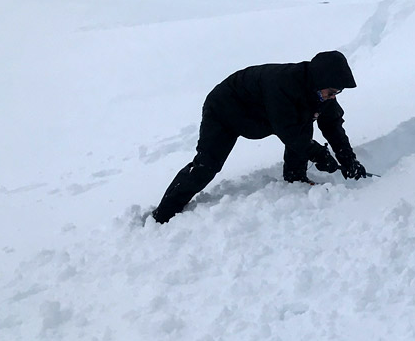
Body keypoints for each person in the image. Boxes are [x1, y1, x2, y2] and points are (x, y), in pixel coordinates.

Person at [150, 50, 369, 224]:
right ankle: (163, 215)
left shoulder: (322, 94)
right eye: (331, 91)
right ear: (319, 80)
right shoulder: (283, 85)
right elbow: (289, 133)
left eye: (337, 93)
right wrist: (320, 155)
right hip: (224, 109)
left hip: (261, 116)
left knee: (304, 124)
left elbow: (333, 127)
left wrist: (348, 160)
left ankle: (295, 179)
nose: (333, 97)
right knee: (207, 165)